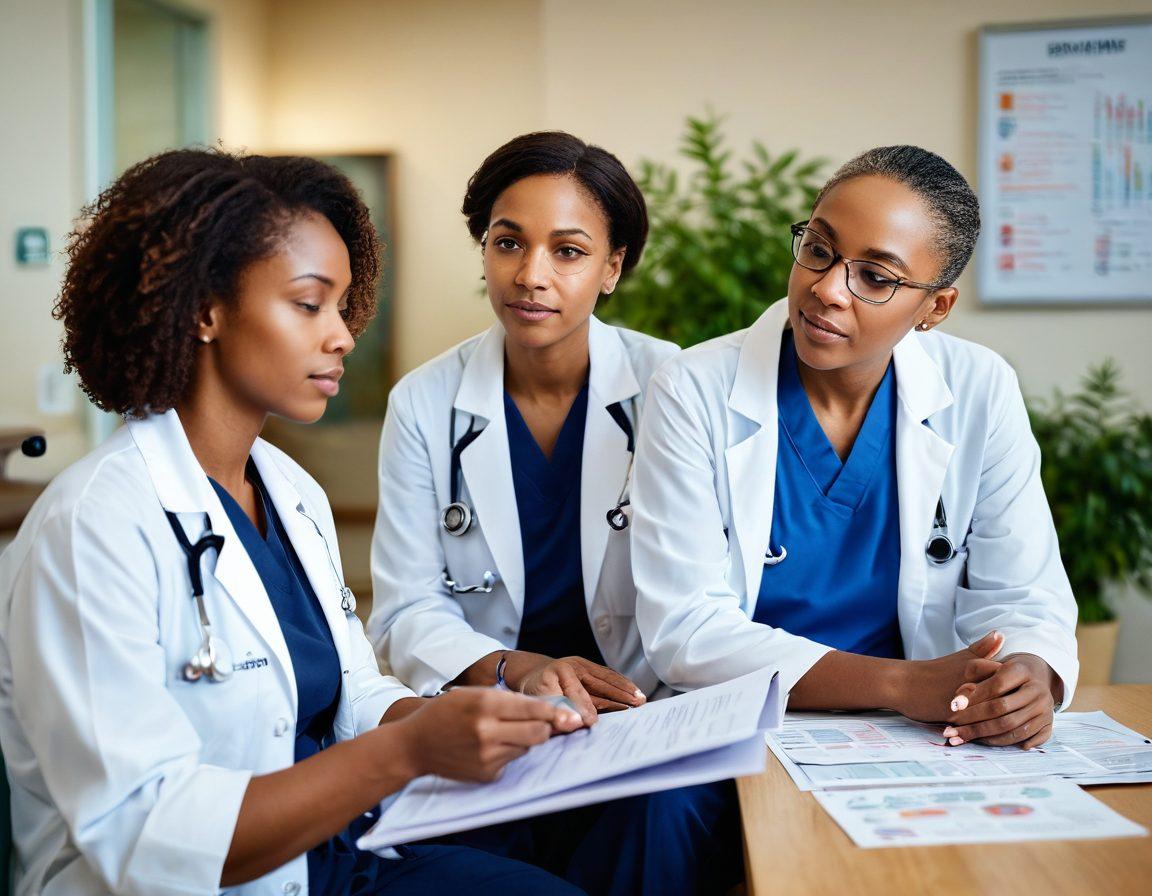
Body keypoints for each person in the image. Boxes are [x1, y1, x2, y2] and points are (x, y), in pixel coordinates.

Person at [0, 148, 584, 896]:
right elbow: (146, 837)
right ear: (205, 309)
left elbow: (350, 693)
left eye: (343, 306)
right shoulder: (92, 528)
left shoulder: (286, 488)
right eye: (310, 304)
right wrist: (408, 752)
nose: (342, 335)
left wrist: (470, 717)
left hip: (331, 854)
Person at [368, 132, 741, 895]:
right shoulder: (425, 401)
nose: (531, 275)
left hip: (645, 717)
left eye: (568, 251)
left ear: (612, 268)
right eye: (509, 243)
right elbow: (405, 609)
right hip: (498, 715)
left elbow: (718, 585)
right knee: (420, 846)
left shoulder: (673, 383)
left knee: (658, 827)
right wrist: (515, 668)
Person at [630, 145, 1078, 749]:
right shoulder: (693, 388)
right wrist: (901, 685)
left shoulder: (979, 387)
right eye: (818, 250)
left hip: (923, 738)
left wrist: (1028, 674)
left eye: (876, 277)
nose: (828, 289)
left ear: (935, 307)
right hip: (740, 725)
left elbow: (1023, 593)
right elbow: (687, 629)